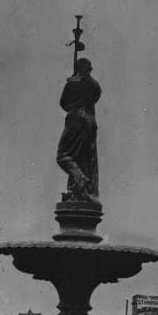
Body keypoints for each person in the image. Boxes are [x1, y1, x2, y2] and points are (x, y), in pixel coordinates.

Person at [56, 57, 102, 204]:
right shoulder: (95, 86)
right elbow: (95, 95)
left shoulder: (73, 82)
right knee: (84, 159)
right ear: (89, 69)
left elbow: (63, 103)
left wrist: (73, 80)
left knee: (63, 155)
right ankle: (77, 190)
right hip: (90, 123)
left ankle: (79, 180)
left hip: (76, 119)